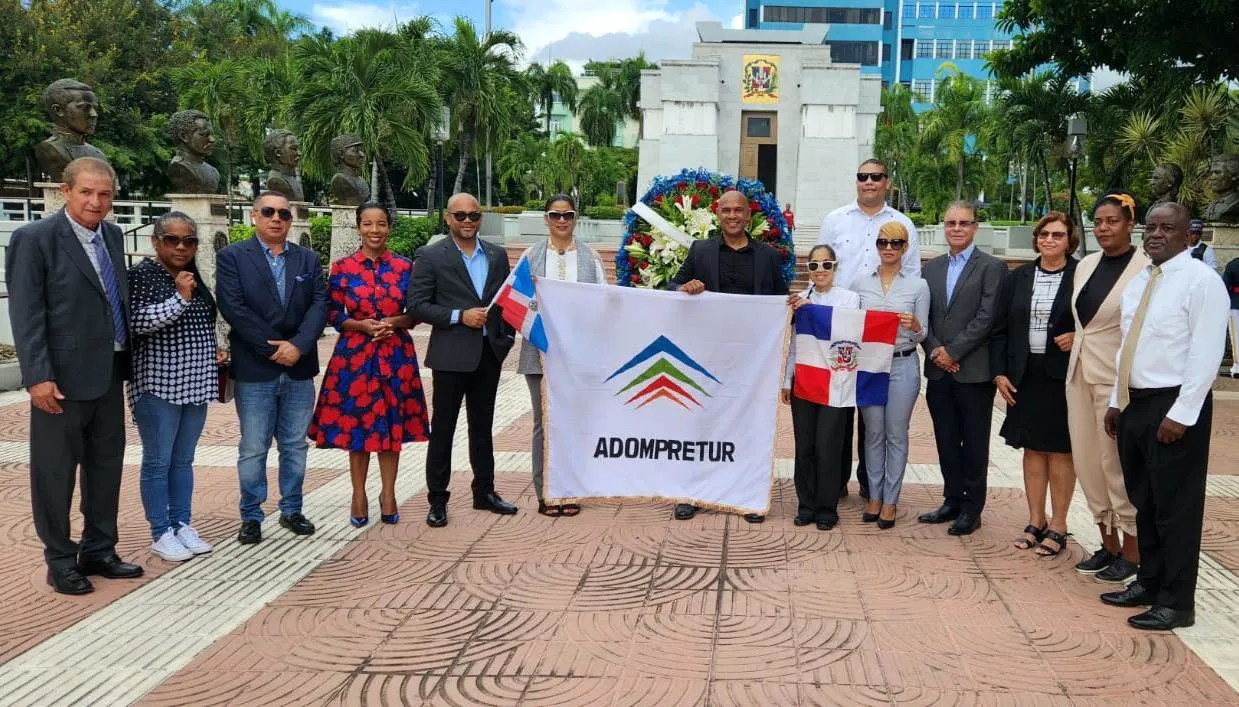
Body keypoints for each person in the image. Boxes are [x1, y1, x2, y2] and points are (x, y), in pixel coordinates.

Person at [5, 157, 142, 594]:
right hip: (59, 382)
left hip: (108, 374)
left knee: (106, 468)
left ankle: (99, 549)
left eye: (104, 194)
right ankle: (61, 560)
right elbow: (26, 313)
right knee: (55, 474)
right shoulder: (35, 238)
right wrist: (37, 376)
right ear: (66, 192)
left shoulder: (114, 235)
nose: (95, 201)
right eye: (86, 192)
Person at [1099, 202, 1229, 631]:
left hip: (1174, 407)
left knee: (1176, 508)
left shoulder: (1202, 282)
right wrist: (1117, 401)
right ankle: (1150, 583)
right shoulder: (1141, 281)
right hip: (1136, 404)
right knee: (1145, 501)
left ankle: (1177, 602)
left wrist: (1183, 413)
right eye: (1150, 227)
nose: (1155, 234)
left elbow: (1206, 353)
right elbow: (1126, 346)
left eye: (1166, 227)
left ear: (1187, 233)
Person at [216, 191, 328, 545]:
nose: (276, 218)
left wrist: (298, 346)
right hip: (254, 368)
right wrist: (272, 349)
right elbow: (233, 307)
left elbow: (320, 304)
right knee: (254, 446)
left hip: (299, 367)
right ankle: (251, 514)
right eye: (268, 212)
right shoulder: (233, 257)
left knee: (295, 445)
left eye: (283, 213)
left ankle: (292, 509)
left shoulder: (307, 259)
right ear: (254, 216)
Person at [670, 189, 787, 522]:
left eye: (739, 211)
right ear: (717, 214)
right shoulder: (701, 250)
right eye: (727, 211)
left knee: (749, 427)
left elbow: (779, 303)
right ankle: (691, 492)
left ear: (749, 216)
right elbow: (673, 287)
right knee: (699, 424)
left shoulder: (768, 257)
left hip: (752, 361)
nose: (733, 216)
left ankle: (747, 496)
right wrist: (684, 288)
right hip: (706, 356)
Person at [308, 202, 429, 526]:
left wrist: (393, 321)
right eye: (367, 224)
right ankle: (358, 494)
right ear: (358, 227)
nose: (374, 230)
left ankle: (388, 494)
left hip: (395, 356)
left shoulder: (405, 267)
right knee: (358, 428)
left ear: (389, 227)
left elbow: (416, 312)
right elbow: (333, 314)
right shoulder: (343, 267)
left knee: (391, 426)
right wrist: (361, 325)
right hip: (355, 358)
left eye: (381, 224)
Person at [407, 192, 517, 528]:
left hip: (488, 355)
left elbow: (507, 302)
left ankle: (484, 491)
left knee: (482, 428)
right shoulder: (430, 256)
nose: (467, 221)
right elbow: (417, 305)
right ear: (447, 218)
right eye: (460, 216)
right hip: (450, 355)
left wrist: (506, 340)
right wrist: (458, 316)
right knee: (443, 428)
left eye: (473, 215)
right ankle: (437, 499)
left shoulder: (497, 256)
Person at [817, 159, 920, 501]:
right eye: (863, 177)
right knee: (839, 409)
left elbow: (913, 277)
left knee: (874, 415)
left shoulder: (901, 224)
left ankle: (870, 485)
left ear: (886, 182)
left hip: (881, 337)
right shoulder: (835, 220)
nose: (869, 182)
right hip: (841, 328)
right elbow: (822, 265)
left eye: (876, 177)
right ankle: (835, 480)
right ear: (857, 181)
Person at [129, 213, 226, 561]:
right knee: (158, 461)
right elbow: (137, 322)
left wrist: (214, 348)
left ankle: (181, 523)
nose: (182, 246)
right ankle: (160, 532)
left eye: (189, 240)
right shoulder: (142, 275)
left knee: (183, 460)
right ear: (156, 242)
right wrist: (180, 298)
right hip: (157, 386)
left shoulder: (193, 276)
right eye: (172, 239)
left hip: (195, 384)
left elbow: (202, 321)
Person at [1065, 192, 1148, 584]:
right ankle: (1109, 544)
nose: (1103, 228)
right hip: (1078, 375)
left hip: (1116, 383)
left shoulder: (1146, 268)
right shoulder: (1086, 266)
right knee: (1087, 464)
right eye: (1098, 221)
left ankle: (1132, 554)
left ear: (1130, 223)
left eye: (1112, 221)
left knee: (1115, 467)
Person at [990, 212, 1078, 557]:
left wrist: (1079, 337)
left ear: (1069, 240)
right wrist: (1000, 372)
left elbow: (1099, 322)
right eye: (1044, 234)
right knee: (1031, 449)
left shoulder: (1080, 275)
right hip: (1024, 375)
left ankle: (1059, 524)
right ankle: (1034, 519)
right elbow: (1000, 329)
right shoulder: (1020, 277)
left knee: (1059, 450)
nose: (1050, 240)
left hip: (1062, 376)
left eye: (1058, 235)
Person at [918, 200, 1007, 536]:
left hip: (973, 372)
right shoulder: (932, 268)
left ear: (975, 228)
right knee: (946, 438)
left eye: (963, 223)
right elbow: (923, 317)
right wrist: (935, 350)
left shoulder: (991, 268)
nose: (956, 228)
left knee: (973, 441)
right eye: (951, 223)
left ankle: (972, 508)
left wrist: (953, 352)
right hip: (939, 371)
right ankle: (951, 499)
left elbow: (987, 318)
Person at [518, 194, 606, 518]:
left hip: (577, 355)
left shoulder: (590, 258)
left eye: (567, 215)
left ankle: (570, 490)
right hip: (539, 351)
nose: (561, 221)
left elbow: (602, 304)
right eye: (555, 216)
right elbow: (517, 300)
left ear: (575, 218)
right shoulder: (530, 257)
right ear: (546, 219)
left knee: (573, 421)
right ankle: (545, 491)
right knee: (544, 421)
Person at [854, 221, 929, 530]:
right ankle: (874, 495)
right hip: (870, 365)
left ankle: (891, 500)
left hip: (902, 364)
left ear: (905, 248)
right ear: (877, 246)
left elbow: (925, 334)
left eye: (895, 243)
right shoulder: (860, 284)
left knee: (895, 434)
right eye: (883, 242)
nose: (888, 248)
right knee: (873, 434)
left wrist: (914, 327)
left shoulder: (917, 286)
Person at [782, 244, 859, 530]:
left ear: (834, 267)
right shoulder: (800, 299)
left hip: (836, 383)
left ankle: (827, 506)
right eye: (814, 265)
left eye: (826, 265)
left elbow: (845, 331)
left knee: (829, 445)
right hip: (805, 378)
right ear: (808, 270)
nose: (820, 271)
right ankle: (806, 504)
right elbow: (792, 345)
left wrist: (813, 311)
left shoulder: (850, 299)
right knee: (805, 446)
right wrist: (787, 379)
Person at [34, 79, 107, 182]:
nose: (94, 114)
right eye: (85, 108)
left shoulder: (98, 153)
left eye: (95, 108)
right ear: (58, 110)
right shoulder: (50, 150)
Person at [1225, 256, 1239, 378]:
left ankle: (1237, 367)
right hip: (1235, 303)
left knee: (1236, 337)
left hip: (1235, 303)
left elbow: (1225, 286)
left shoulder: (1233, 265)